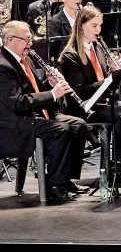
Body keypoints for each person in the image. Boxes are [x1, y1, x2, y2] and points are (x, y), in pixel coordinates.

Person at [59, 5, 121, 184]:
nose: (98, 30)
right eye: (94, 26)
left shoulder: (98, 47)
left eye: (100, 25)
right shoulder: (70, 55)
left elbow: (105, 79)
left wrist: (117, 73)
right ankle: (116, 166)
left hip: (102, 102)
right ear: (81, 26)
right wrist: (110, 79)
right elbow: (80, 90)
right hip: (84, 106)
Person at [1, 21, 87, 203]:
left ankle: (65, 179)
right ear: (10, 40)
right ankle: (54, 186)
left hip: (35, 115)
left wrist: (51, 84)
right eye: (26, 39)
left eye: (30, 39)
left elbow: (36, 91)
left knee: (78, 125)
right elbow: (17, 102)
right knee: (60, 129)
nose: (30, 44)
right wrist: (53, 94)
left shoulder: (26, 59)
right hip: (15, 124)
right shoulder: (3, 66)